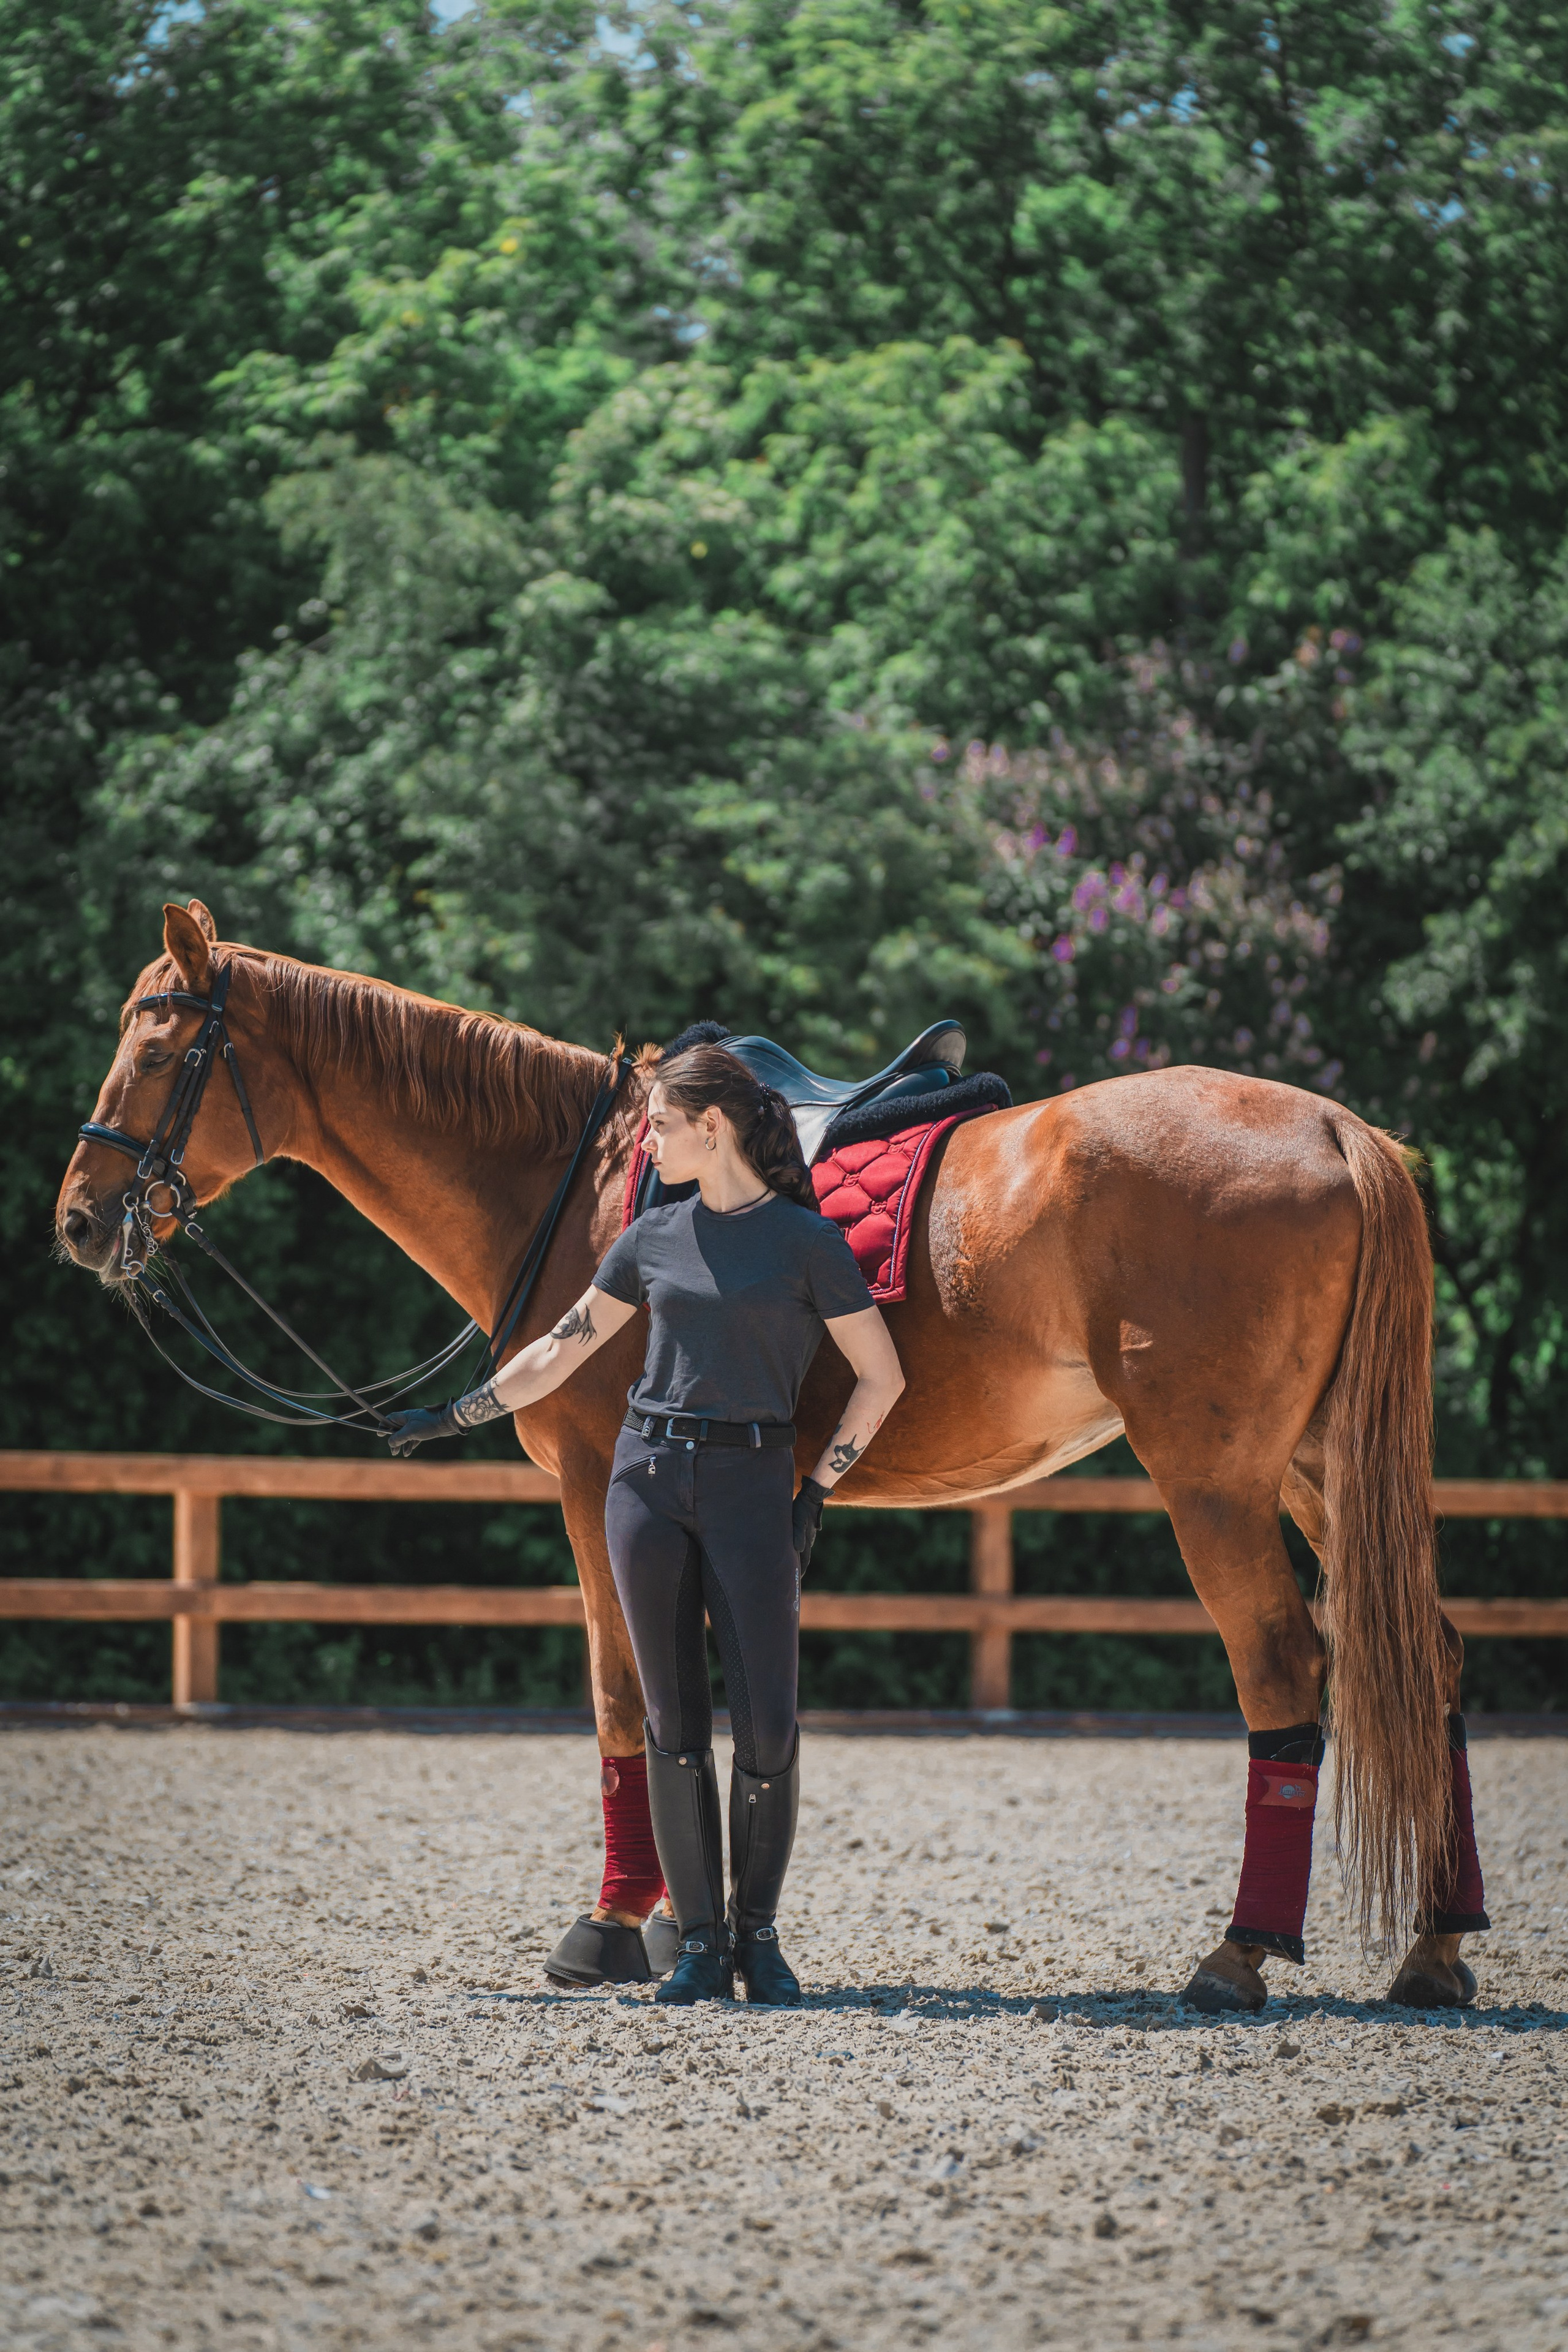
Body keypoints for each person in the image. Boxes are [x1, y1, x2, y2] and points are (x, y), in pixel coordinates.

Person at [383, 1041, 905, 2005]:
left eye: (662, 1125)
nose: (649, 1142)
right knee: (671, 1725)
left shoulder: (806, 1243)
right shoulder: (650, 1237)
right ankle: (701, 1945)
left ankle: (760, 1939)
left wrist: (817, 1492)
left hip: (755, 1483)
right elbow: (558, 1349)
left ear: (716, 1129)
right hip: (648, 1483)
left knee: (769, 1728)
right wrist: (454, 1416)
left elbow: (883, 1378)